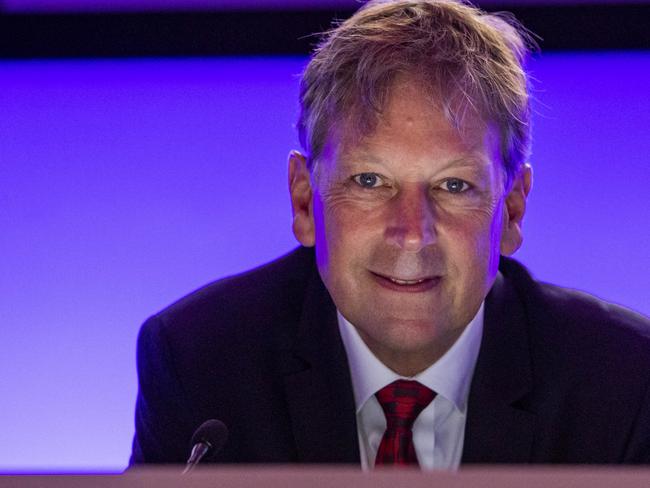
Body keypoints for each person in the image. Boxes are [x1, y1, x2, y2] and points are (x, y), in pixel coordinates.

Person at [130, 0, 650, 468]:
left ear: (512, 210)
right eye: (369, 180)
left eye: (454, 184)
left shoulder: (624, 381)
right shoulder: (198, 362)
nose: (411, 234)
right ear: (305, 200)